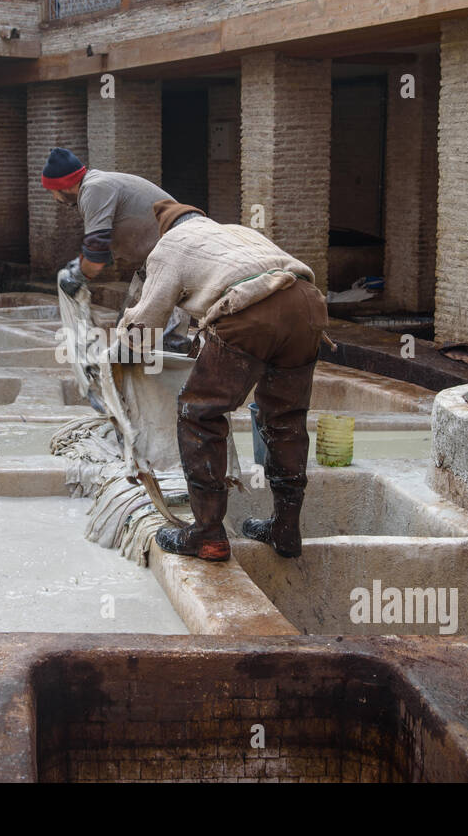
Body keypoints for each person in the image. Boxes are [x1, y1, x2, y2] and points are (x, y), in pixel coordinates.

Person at [119, 199, 330, 563]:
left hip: (252, 309)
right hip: (308, 305)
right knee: (285, 418)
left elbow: (147, 323)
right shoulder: (236, 232)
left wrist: (120, 348)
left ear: (166, 229)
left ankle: (207, 533)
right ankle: (285, 528)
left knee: (199, 414)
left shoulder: (172, 244)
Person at [42, 147, 189, 347]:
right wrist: (80, 265)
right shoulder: (95, 186)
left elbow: (96, 254)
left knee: (160, 334)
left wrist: (78, 276)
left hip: (179, 246)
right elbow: (105, 247)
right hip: (163, 250)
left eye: (52, 191)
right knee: (129, 327)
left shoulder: (94, 189)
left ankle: (174, 372)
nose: (54, 198)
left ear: (64, 186)